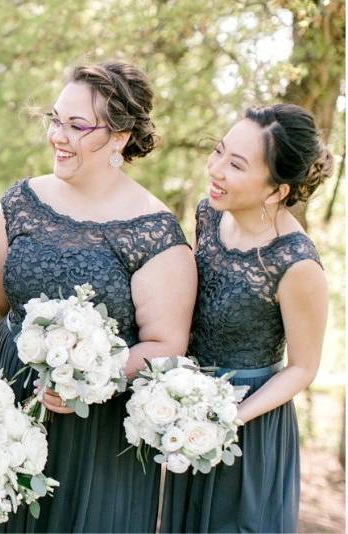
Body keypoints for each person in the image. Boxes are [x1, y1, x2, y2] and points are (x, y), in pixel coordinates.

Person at [0, 61, 197, 532]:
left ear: (119, 136)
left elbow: (165, 344)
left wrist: (87, 377)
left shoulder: (155, 234)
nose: (58, 135)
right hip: (5, 405)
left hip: (93, 431)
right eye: (56, 119)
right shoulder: (20, 203)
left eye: (78, 126)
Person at [161, 103, 331, 533]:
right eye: (217, 152)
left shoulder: (296, 263)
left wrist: (230, 418)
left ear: (277, 191)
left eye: (235, 164)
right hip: (190, 408)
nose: (215, 169)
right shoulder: (208, 214)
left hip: (250, 424)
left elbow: (303, 368)